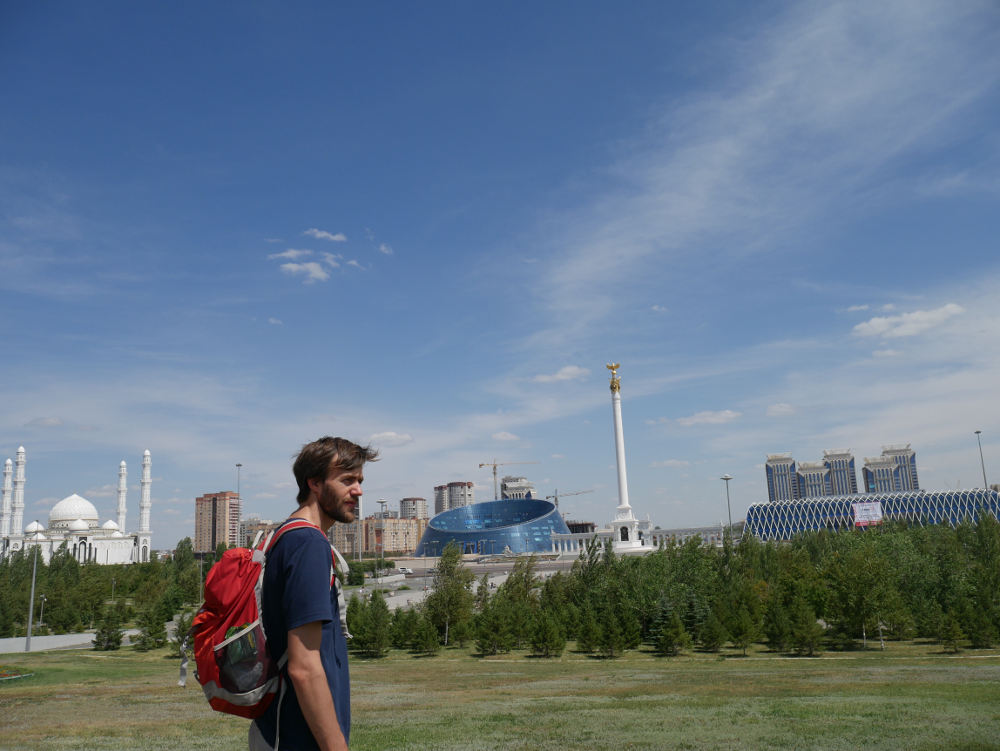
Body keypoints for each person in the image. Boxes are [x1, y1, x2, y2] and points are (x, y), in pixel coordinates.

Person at [249, 437, 378, 751]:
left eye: (359, 480)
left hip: (278, 729)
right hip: (295, 737)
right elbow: (304, 667)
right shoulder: (308, 544)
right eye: (347, 480)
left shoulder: (285, 535)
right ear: (315, 483)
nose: (358, 491)